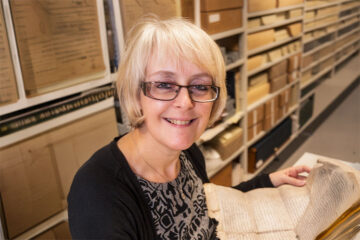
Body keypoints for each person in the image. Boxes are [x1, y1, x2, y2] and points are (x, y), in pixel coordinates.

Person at [67, 16, 311, 239]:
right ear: (136, 92)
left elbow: (207, 210)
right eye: (164, 84)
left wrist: (268, 181)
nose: (185, 103)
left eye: (200, 86)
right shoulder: (97, 191)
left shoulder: (188, 153)